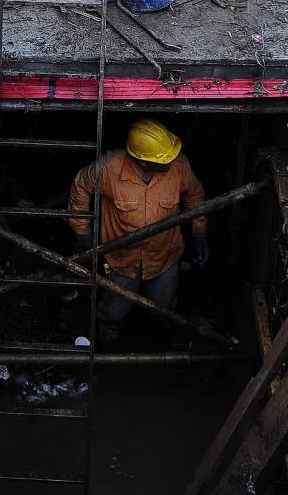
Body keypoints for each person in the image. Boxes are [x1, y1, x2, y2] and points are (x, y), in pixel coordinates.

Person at [67, 120, 206, 345]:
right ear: (142, 160)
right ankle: (107, 343)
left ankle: (162, 342)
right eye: (164, 160)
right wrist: (82, 233)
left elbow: (195, 196)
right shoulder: (109, 169)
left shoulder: (179, 166)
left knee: (162, 307)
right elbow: (80, 186)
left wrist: (200, 234)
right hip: (121, 259)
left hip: (164, 257)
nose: (171, 161)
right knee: (114, 310)